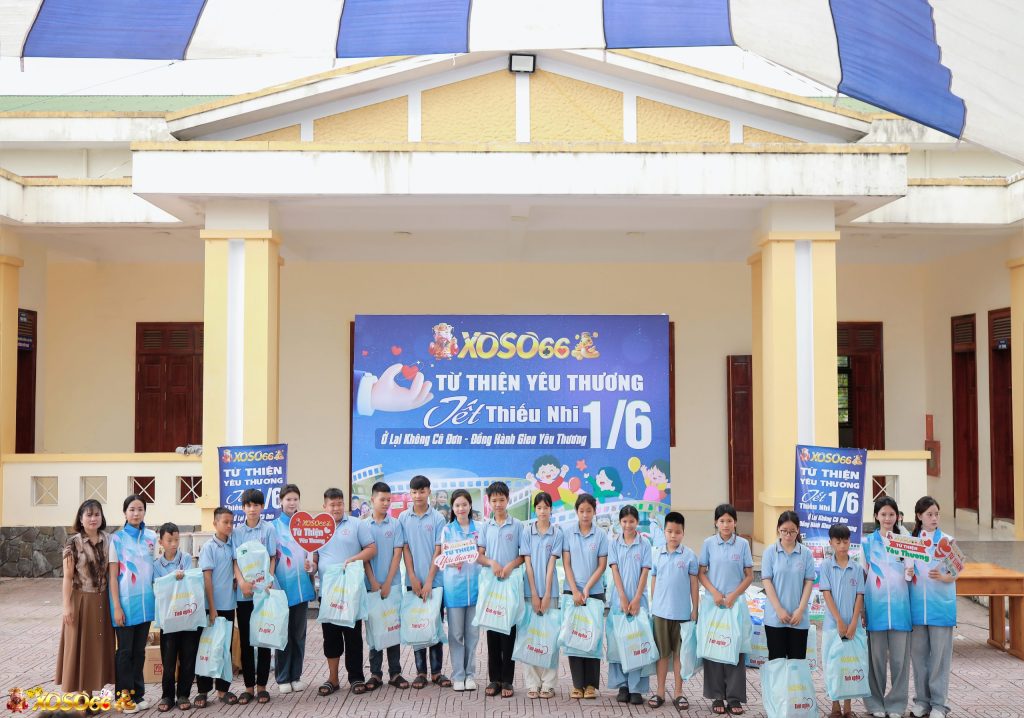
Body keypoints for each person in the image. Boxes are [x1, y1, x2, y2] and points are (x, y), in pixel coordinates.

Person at [313, 487, 376, 696]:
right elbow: (314, 559)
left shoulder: (357, 524)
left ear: (344, 505)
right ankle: (333, 678)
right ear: (324, 506)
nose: (336, 508)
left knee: (353, 636)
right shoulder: (318, 528)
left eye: (339, 504)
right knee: (330, 638)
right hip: (328, 592)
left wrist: (352, 559)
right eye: (332, 505)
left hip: (351, 592)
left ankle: (356, 677)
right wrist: (311, 567)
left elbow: (371, 549)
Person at [698, 503, 753, 716]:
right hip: (714, 604)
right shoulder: (708, 544)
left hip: (734, 604)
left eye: (729, 520)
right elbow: (702, 572)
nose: (726, 524)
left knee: (735, 648)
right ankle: (717, 696)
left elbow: (749, 575)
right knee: (715, 646)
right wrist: (714, 593)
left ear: (735, 522)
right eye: (722, 521)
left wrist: (733, 595)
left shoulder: (743, 545)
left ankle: (734, 697)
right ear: (716, 522)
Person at [57, 500, 116, 696]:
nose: (93, 518)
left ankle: (91, 694)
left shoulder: (109, 540)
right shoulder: (73, 543)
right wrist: (66, 606)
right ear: (81, 519)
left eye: (97, 514)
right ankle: (82, 696)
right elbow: (67, 578)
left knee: (96, 648)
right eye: (89, 515)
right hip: (80, 600)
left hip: (102, 600)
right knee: (80, 647)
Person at [862, 497, 912, 718]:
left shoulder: (905, 542)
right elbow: (863, 576)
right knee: (876, 660)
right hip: (876, 609)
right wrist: (861, 609)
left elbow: (911, 572)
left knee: (900, 661)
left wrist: (910, 572)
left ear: (897, 516)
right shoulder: (867, 543)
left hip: (901, 610)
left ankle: (896, 705)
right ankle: (874, 704)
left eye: (891, 514)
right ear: (876, 516)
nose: (887, 518)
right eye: (883, 514)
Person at [399, 475, 450, 689]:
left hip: (435, 582)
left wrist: (429, 581)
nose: (418, 495)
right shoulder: (403, 517)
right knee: (417, 623)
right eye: (414, 492)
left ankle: (437, 672)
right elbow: (405, 548)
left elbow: (439, 550)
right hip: (414, 583)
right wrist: (412, 577)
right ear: (410, 493)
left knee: (434, 624)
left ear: (429, 491)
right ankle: (420, 672)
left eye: (422, 491)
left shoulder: (438, 518)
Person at [908, 497, 956, 718]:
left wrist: (944, 577)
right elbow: (904, 571)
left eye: (936, 514)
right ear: (919, 516)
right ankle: (921, 702)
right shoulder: (910, 543)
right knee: (919, 658)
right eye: (929, 514)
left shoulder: (947, 541)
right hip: (916, 609)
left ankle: (939, 705)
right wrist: (907, 573)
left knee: (939, 659)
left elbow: (956, 571)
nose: (934, 518)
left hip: (941, 609)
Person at [108, 495, 157, 713]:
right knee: (125, 652)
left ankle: (138, 694)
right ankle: (124, 697)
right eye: (131, 509)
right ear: (125, 513)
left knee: (139, 651)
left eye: (140, 509)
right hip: (125, 605)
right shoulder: (116, 539)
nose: (136, 513)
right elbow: (112, 576)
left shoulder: (151, 537)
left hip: (146, 604)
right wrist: (117, 606)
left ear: (144, 511)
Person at [478, 481, 525, 698]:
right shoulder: (485, 526)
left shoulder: (518, 526)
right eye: (494, 500)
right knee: (493, 633)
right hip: (492, 586)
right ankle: (494, 679)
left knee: (509, 633)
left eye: (502, 499)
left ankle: (507, 680)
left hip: (510, 585)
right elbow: (479, 556)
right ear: (489, 501)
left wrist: (510, 566)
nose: (498, 504)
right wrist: (492, 563)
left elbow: (523, 556)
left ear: (508, 499)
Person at [231, 489, 278, 705]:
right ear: (243, 508)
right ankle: (248, 687)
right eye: (248, 505)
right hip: (244, 596)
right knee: (247, 641)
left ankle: (262, 687)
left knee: (264, 639)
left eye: (256, 505)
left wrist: (269, 579)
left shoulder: (268, 529)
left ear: (262, 507)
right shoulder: (237, 532)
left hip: (263, 594)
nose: (252, 509)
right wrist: (241, 582)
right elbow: (235, 561)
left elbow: (272, 557)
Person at [648, 511, 698, 710]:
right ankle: (660, 691)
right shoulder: (657, 554)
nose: (673, 535)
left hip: (682, 614)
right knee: (662, 654)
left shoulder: (689, 556)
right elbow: (654, 580)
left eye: (677, 532)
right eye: (669, 531)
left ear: (683, 533)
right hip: (660, 613)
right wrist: (654, 605)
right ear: (664, 531)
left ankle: (678, 692)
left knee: (679, 655)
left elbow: (694, 584)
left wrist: (695, 609)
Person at [363, 482, 410, 691]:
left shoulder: (395, 524)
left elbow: (397, 554)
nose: (386, 503)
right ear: (372, 500)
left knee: (392, 627)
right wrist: (373, 582)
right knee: (374, 630)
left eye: (388, 500)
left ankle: (395, 672)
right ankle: (375, 673)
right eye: (382, 499)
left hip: (393, 585)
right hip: (370, 587)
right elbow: (364, 557)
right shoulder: (363, 525)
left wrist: (388, 582)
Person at [562, 493, 609, 700]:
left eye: (589, 511)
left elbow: (602, 565)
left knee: (592, 636)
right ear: (576, 511)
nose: (585, 515)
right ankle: (577, 684)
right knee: (574, 635)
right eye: (581, 511)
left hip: (594, 592)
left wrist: (587, 588)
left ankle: (590, 685)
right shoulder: (568, 533)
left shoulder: (601, 535)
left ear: (594, 512)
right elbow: (566, 563)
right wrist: (575, 590)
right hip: (571, 591)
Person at [272, 484, 316, 695]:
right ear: (281, 501)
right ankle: (282, 677)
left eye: (295, 499)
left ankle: (296, 676)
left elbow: (311, 555)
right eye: (288, 499)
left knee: (298, 635)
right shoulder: (273, 527)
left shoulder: (305, 525)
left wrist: (311, 565)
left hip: (301, 588)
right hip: (281, 588)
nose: (292, 503)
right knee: (283, 635)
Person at [608, 505, 654, 705]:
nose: (628, 525)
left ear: (637, 522)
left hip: (638, 601)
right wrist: (622, 597)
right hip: (619, 600)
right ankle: (623, 686)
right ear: (620, 522)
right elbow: (614, 570)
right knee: (619, 642)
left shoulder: (645, 544)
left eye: (632, 521)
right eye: (624, 521)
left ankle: (636, 688)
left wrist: (635, 599)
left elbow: (645, 572)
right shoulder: (614, 544)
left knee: (637, 642)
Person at [820, 523, 866, 718]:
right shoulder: (826, 566)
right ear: (831, 543)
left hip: (853, 628)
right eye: (838, 542)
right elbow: (826, 594)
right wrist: (839, 620)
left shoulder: (857, 568)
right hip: (833, 626)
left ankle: (848, 708)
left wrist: (854, 622)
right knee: (834, 666)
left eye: (845, 541)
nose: (842, 546)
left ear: (850, 542)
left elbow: (860, 596)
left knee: (850, 665)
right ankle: (835, 706)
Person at [521, 491, 563, 699]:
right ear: (534, 510)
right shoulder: (527, 532)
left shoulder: (557, 533)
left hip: (550, 592)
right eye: (539, 508)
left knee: (550, 638)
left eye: (546, 507)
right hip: (529, 591)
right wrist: (534, 593)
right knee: (529, 637)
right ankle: (532, 683)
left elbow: (551, 565)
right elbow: (527, 564)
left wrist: (546, 594)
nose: (543, 511)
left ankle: (548, 683)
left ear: (551, 509)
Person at [195, 507, 238, 708]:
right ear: (215, 523)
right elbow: (207, 578)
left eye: (231, 522)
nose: (229, 526)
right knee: (206, 647)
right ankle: (203, 691)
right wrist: (212, 608)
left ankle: (223, 690)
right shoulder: (209, 547)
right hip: (210, 607)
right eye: (225, 522)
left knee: (224, 649)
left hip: (229, 605)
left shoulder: (233, 545)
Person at [153, 522, 198, 712]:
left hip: (187, 617)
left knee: (188, 657)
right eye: (169, 540)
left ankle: (183, 694)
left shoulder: (186, 558)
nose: (174, 544)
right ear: (161, 542)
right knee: (169, 659)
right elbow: (158, 587)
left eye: (177, 540)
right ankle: (167, 695)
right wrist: (174, 577)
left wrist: (179, 577)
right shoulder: (156, 565)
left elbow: (190, 579)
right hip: (168, 621)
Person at [761, 511, 815, 661]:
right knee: (776, 663)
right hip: (775, 618)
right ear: (778, 529)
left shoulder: (806, 553)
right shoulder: (770, 552)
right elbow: (767, 581)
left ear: (798, 530)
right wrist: (779, 609)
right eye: (784, 530)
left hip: (798, 618)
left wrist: (800, 610)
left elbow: (808, 582)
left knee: (797, 664)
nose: (788, 535)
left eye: (792, 531)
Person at [442, 489, 481, 692]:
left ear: (470, 505)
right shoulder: (447, 530)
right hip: (454, 589)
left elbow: (483, 553)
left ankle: (470, 675)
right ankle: (458, 675)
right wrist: (452, 561)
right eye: (457, 505)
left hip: (476, 588)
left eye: (464, 504)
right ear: (453, 507)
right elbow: (443, 557)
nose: (461, 508)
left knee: (472, 634)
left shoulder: (479, 529)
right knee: (456, 634)